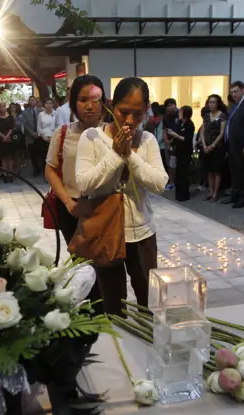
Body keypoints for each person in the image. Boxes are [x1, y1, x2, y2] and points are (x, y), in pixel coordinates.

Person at [75, 77, 169, 316]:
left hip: (142, 232)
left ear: (146, 110)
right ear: (110, 105)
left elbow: (160, 182)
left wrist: (131, 156)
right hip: (106, 232)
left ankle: (148, 347)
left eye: (137, 115)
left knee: (150, 301)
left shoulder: (147, 140)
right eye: (123, 112)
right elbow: (84, 183)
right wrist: (115, 154)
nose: (129, 120)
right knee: (113, 305)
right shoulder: (92, 138)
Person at [45, 74, 106, 245]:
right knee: (80, 263)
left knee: (105, 261)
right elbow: (50, 170)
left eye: (95, 100)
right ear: (73, 104)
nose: (89, 106)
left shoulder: (111, 133)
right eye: (82, 100)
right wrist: (67, 202)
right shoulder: (62, 133)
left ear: (103, 103)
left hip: (103, 208)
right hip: (70, 207)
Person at [200, 94, 228, 201]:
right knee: (209, 170)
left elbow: (222, 133)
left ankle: (215, 193)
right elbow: (202, 131)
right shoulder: (206, 116)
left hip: (217, 147)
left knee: (217, 171)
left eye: (213, 102)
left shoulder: (222, 116)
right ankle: (210, 191)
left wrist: (213, 145)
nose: (211, 104)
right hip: (206, 146)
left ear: (218, 103)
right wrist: (204, 145)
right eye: (210, 102)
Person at [168, 106, 195, 202]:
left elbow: (187, 139)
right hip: (179, 151)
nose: (179, 114)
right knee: (179, 172)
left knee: (183, 173)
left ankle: (184, 195)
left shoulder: (189, 124)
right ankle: (179, 194)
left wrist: (177, 136)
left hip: (186, 151)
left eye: (181, 112)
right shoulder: (180, 123)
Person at [0, 101, 16, 183]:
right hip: (1, 140)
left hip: (9, 138)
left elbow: (12, 128)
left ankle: (10, 175)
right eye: (1, 107)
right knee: (3, 158)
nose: (3, 108)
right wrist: (3, 137)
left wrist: (7, 137)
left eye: (4, 106)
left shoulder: (10, 117)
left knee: (10, 158)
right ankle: (5, 174)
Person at [35, 98, 56, 175]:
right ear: (44, 105)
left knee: (54, 157)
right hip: (44, 138)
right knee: (45, 157)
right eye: (47, 103)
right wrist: (44, 137)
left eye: (50, 103)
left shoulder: (56, 113)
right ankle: (47, 174)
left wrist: (53, 137)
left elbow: (58, 126)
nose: (49, 105)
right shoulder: (41, 115)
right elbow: (39, 128)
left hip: (54, 138)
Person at [23, 96, 41, 176]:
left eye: (33, 100)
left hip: (40, 135)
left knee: (41, 153)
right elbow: (25, 124)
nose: (32, 101)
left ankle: (42, 169)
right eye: (30, 100)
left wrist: (38, 132)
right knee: (32, 154)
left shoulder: (41, 111)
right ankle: (35, 170)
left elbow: (42, 123)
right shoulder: (25, 112)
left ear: (36, 101)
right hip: (30, 137)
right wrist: (32, 133)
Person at [10, 103, 25, 174]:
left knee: (18, 152)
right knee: (13, 153)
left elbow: (18, 126)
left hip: (18, 135)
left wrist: (14, 118)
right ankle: (13, 169)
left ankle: (19, 170)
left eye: (14, 107)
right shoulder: (8, 116)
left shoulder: (20, 116)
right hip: (11, 134)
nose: (12, 109)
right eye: (11, 107)